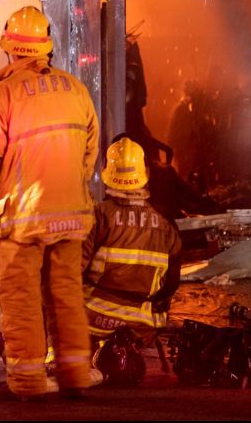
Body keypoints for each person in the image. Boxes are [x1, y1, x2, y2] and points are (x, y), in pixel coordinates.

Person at [0, 6, 99, 401]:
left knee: (22, 301)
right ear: (47, 47)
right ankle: (76, 377)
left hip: (22, 221)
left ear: (9, 49)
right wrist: (69, 192)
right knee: (66, 297)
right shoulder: (76, 90)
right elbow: (88, 154)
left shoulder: (1, 96)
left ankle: (30, 384)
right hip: (72, 219)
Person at [81, 135, 183, 384]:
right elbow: (171, 285)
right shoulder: (167, 224)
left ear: (107, 172)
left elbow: (73, 270)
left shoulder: (98, 216)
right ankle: (121, 347)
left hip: (94, 317)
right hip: (143, 323)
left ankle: (45, 355)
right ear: (144, 172)